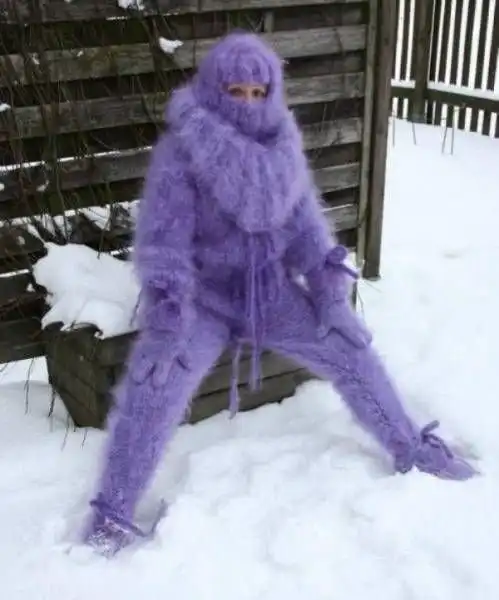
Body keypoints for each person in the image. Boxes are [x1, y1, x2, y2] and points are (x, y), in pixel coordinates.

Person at [83, 32, 476, 556]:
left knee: (351, 350)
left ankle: (412, 448)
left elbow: (306, 227)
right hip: (203, 299)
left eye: (258, 92)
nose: (248, 102)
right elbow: (163, 241)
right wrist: (168, 317)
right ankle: (112, 513)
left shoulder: (282, 146)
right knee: (155, 384)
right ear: (215, 90)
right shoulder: (183, 151)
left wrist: (329, 295)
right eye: (236, 91)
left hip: (269, 292)